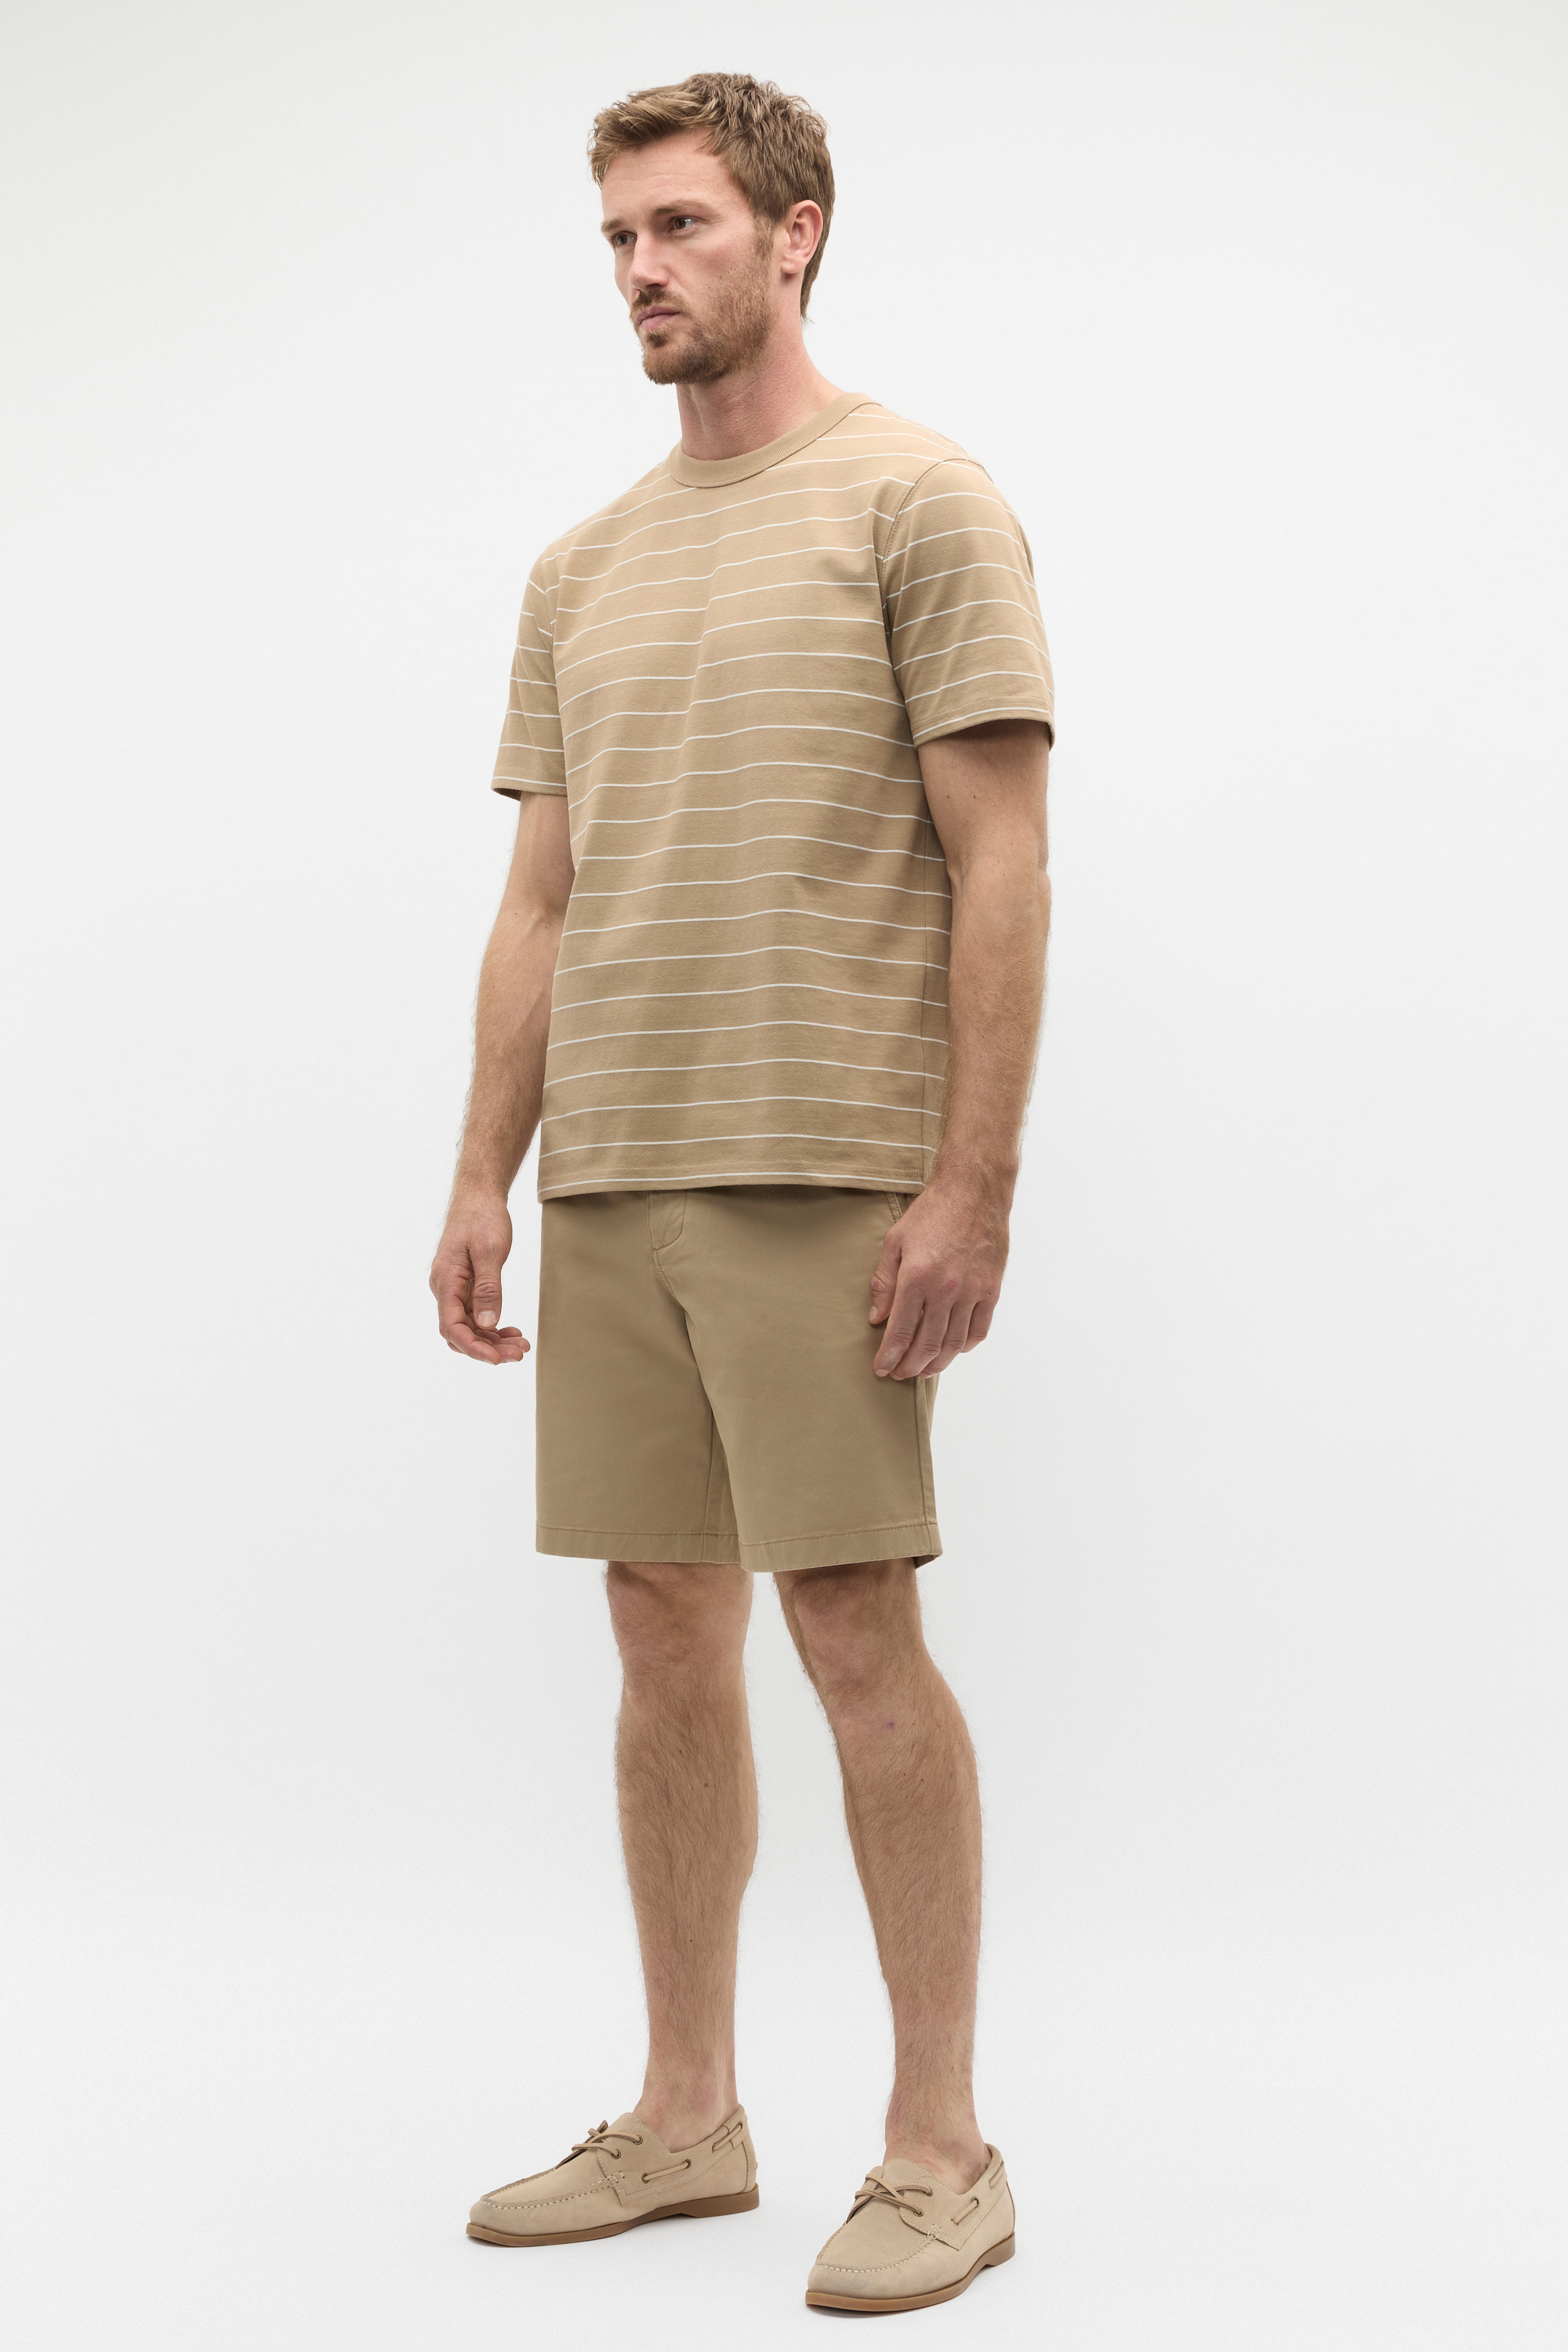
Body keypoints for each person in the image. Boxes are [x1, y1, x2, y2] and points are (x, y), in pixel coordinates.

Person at [429, 70, 1054, 2316]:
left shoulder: (917, 498)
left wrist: (971, 1186)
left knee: (853, 1627)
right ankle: (688, 2115)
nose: (641, 269)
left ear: (796, 233)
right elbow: (541, 901)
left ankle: (942, 2149)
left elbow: (1004, 855)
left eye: (680, 224)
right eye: (617, 236)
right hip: (617, 1175)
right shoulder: (578, 567)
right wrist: (485, 1168)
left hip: (823, 1168)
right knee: (657, 1624)